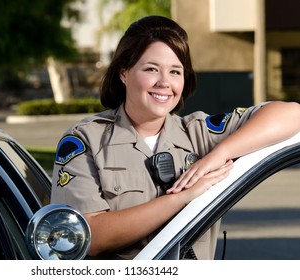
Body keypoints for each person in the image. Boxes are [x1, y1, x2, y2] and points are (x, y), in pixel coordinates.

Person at [50, 15, 300, 260]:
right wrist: (182, 198)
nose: (164, 82)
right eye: (151, 69)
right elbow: (90, 237)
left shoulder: (199, 134)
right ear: (123, 73)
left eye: (175, 71)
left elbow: (293, 114)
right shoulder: (85, 141)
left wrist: (219, 154)